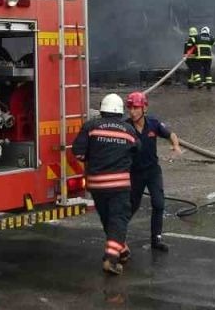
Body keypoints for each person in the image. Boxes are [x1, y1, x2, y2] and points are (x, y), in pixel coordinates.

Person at [72, 93, 140, 275]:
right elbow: (137, 152)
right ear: (120, 111)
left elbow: (77, 152)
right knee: (119, 219)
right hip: (119, 185)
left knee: (109, 219)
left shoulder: (91, 127)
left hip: (96, 185)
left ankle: (122, 250)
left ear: (102, 110)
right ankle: (111, 259)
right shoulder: (129, 130)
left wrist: (92, 159)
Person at [125, 91, 183, 253]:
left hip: (152, 172)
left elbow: (171, 134)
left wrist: (176, 146)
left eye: (136, 107)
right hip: (135, 174)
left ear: (144, 108)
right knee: (132, 206)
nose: (133, 111)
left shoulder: (153, 124)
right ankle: (116, 236)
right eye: (130, 107)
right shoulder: (126, 127)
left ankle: (156, 239)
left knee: (158, 204)